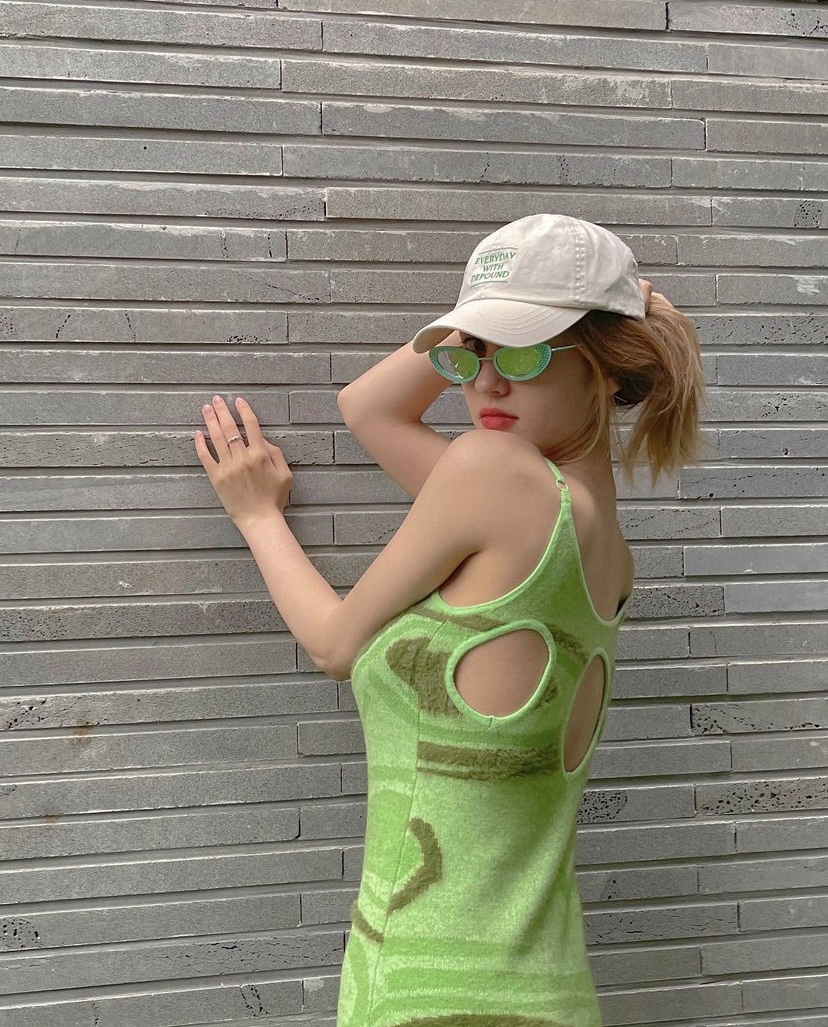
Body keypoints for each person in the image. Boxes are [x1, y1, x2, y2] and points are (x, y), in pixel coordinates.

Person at [194, 213, 704, 1027]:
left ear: (607, 365)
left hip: (433, 996)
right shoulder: (596, 542)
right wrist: (507, 306)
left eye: (525, 352)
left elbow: (334, 643)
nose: (484, 385)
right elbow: (368, 411)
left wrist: (257, 515)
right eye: (470, 354)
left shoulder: (494, 476)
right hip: (550, 990)